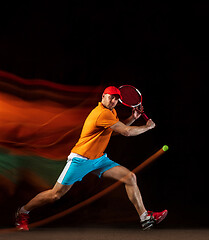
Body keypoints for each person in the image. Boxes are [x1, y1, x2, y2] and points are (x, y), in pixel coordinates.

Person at [15, 86, 167, 231]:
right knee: (55, 195)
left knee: (130, 177)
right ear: (103, 97)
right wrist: (147, 127)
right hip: (80, 159)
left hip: (99, 159)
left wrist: (133, 118)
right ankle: (23, 212)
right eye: (111, 98)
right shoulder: (102, 113)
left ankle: (144, 217)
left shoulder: (111, 112)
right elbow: (126, 132)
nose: (113, 101)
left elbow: (113, 132)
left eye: (116, 99)